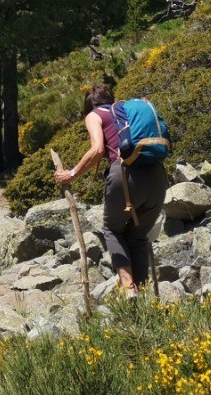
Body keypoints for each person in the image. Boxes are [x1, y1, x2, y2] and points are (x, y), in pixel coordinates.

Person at [53, 84, 169, 294]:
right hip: (157, 175)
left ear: (89, 106)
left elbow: (98, 149)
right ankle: (142, 297)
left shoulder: (94, 115)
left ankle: (128, 288)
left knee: (112, 229)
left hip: (124, 175)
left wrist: (72, 174)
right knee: (138, 236)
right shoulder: (125, 111)